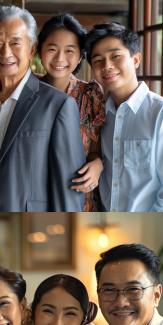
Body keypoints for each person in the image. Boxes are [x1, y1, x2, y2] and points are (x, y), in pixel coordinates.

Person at [0, 5, 86, 212]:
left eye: (15, 43)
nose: (5, 52)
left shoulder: (58, 105)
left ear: (32, 50)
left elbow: (69, 188)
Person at [84, 21, 163, 212]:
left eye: (115, 56)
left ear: (135, 60)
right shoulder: (99, 113)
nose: (107, 66)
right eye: (98, 60)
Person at [36, 13, 106, 211]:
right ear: (39, 51)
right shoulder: (28, 92)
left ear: (81, 56)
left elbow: (95, 151)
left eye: (69, 50)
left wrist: (97, 165)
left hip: (75, 193)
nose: (60, 58)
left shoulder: (90, 95)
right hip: (34, 192)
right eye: (52, 49)